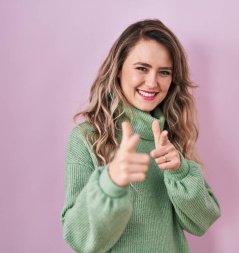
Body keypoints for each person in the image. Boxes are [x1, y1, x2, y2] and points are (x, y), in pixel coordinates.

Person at [60, 19, 221, 253]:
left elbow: (202, 221)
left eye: (164, 72)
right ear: (118, 69)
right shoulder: (86, 138)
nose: (152, 82)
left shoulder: (169, 137)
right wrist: (111, 181)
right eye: (142, 68)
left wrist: (180, 172)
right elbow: (79, 238)